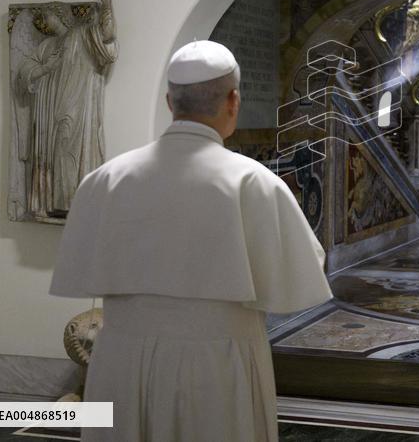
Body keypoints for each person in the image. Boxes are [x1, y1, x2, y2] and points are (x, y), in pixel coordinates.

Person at [50, 40, 333, 440]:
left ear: (170, 102)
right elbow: (297, 279)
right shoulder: (254, 184)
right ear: (233, 101)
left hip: (120, 361)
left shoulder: (105, 180)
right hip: (217, 365)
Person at [17, 0, 117, 218]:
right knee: (55, 152)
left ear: (60, 15)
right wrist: (44, 69)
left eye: (46, 17)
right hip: (49, 114)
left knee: (69, 149)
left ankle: (72, 204)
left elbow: (108, 34)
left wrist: (107, 4)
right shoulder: (47, 46)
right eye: (39, 22)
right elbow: (25, 71)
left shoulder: (82, 35)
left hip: (75, 107)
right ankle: (55, 203)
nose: (43, 23)